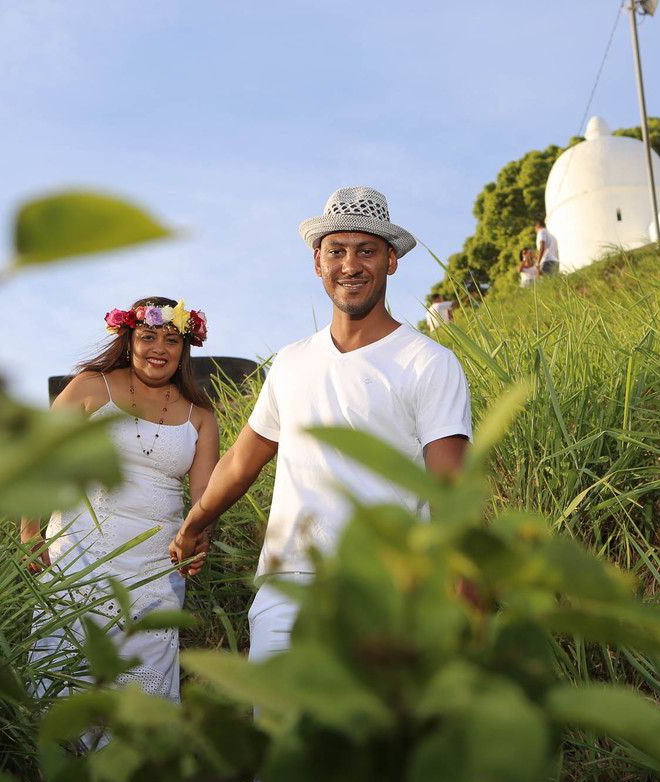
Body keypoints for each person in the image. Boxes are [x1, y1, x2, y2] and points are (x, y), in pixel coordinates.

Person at [169, 186, 472, 668]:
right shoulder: (289, 363)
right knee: (281, 740)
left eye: (367, 250)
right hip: (286, 597)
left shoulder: (429, 363)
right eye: (337, 251)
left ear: (391, 261)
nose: (350, 265)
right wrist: (192, 526)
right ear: (317, 262)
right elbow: (241, 463)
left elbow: (454, 499)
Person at [22, 296, 219, 707]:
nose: (158, 348)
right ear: (129, 339)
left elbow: (204, 495)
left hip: (155, 567)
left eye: (171, 339)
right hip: (78, 556)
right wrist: (29, 530)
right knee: (63, 680)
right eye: (148, 336)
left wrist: (200, 535)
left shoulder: (199, 415)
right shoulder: (91, 387)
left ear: (185, 349)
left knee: (142, 692)